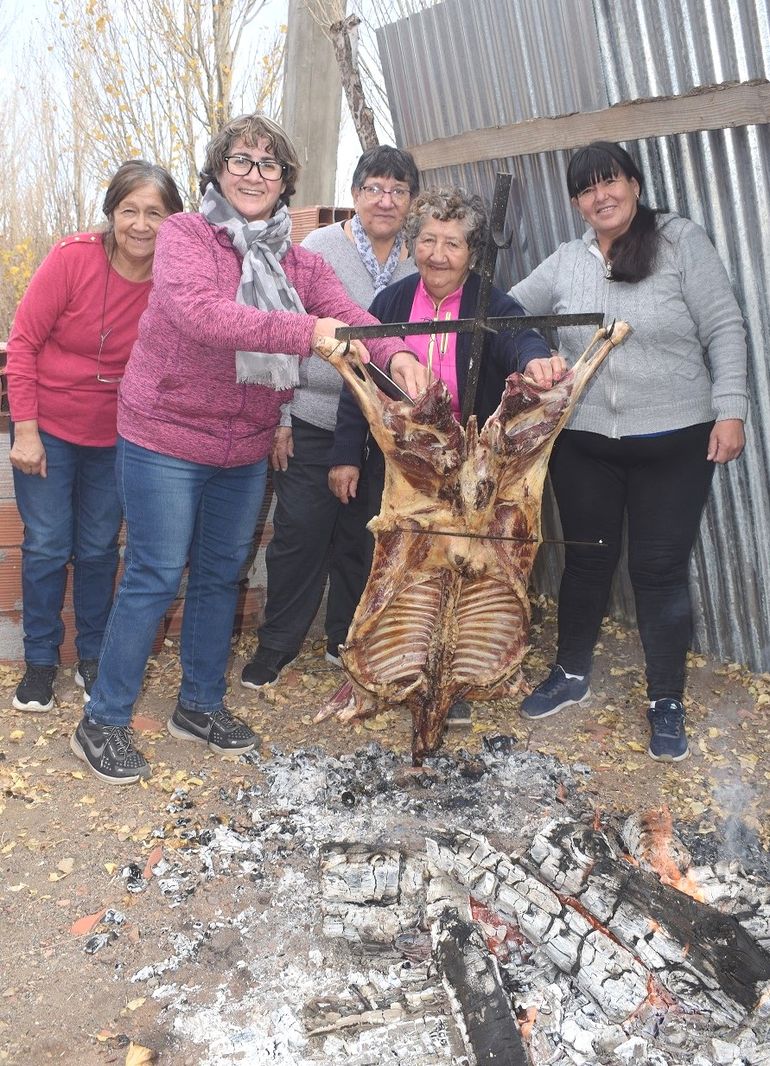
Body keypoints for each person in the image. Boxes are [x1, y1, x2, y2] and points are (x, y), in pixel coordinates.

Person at [69, 113, 429, 785]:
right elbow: (200, 315)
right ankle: (102, 721)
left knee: (219, 576)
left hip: (243, 445)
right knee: (154, 573)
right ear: (218, 170)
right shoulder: (185, 235)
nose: (255, 174)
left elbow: (352, 317)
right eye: (242, 160)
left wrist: (398, 353)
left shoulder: (298, 261)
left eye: (269, 165)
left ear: (285, 180)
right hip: (165, 435)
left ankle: (199, 706)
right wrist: (307, 330)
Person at [511, 140, 747, 762]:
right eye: (587, 188)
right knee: (587, 560)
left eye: (610, 181)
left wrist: (732, 410)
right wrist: (533, 348)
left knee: (658, 570)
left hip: (675, 437)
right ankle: (570, 673)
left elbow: (724, 325)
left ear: (635, 185)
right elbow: (508, 310)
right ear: (576, 202)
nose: (601, 195)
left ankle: (665, 700)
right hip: (585, 440)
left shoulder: (678, 241)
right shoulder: (566, 261)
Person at [328, 186, 554, 725]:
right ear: (412, 245)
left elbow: (520, 338)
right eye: (427, 239)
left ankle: (448, 682)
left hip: (466, 468)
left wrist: (538, 359)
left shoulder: (490, 303)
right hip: (402, 464)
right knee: (391, 566)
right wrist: (346, 456)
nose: (438, 254)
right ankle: (379, 669)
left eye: (452, 243)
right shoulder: (390, 303)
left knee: (459, 570)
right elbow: (356, 383)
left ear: (470, 253)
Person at [5, 161, 184, 713]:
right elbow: (23, 344)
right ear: (111, 213)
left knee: (100, 549)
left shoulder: (176, 276)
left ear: (172, 220)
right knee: (45, 546)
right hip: (50, 431)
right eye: (129, 210)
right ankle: (39, 663)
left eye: (155, 212)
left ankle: (90, 656)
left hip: (120, 437)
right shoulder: (72, 258)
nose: (140, 224)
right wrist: (27, 430)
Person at [242, 145, 419, 689]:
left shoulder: (421, 255)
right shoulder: (318, 248)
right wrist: (283, 416)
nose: (384, 200)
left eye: (397, 190)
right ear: (354, 195)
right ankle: (277, 644)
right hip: (316, 413)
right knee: (300, 533)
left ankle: (347, 641)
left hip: (386, 428)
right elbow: (285, 333)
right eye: (373, 188)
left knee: (366, 536)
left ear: (411, 201)